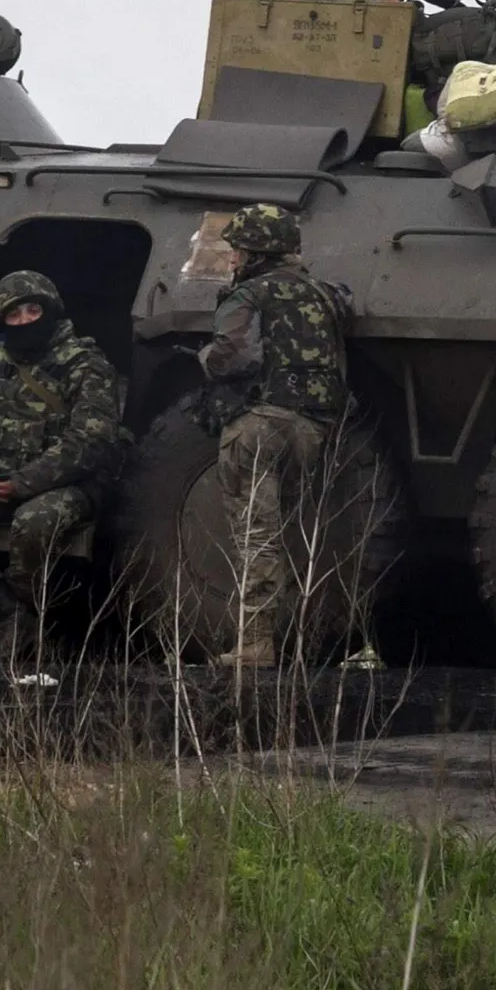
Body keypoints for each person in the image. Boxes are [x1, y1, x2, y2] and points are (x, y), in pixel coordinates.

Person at [0, 270, 131, 646]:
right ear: (2, 320)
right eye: (14, 314)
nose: (24, 320)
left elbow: (91, 441)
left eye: (32, 310)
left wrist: (25, 482)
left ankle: (27, 615)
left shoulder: (85, 364)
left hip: (69, 486)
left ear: (50, 310)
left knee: (33, 521)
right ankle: (7, 615)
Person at [195, 201, 353, 667]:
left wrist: (204, 359)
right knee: (289, 529)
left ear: (257, 253)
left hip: (260, 425)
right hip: (314, 429)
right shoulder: (324, 294)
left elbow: (234, 357)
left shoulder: (247, 296)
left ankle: (256, 643)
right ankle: (300, 634)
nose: (233, 260)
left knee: (256, 534)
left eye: (239, 250)